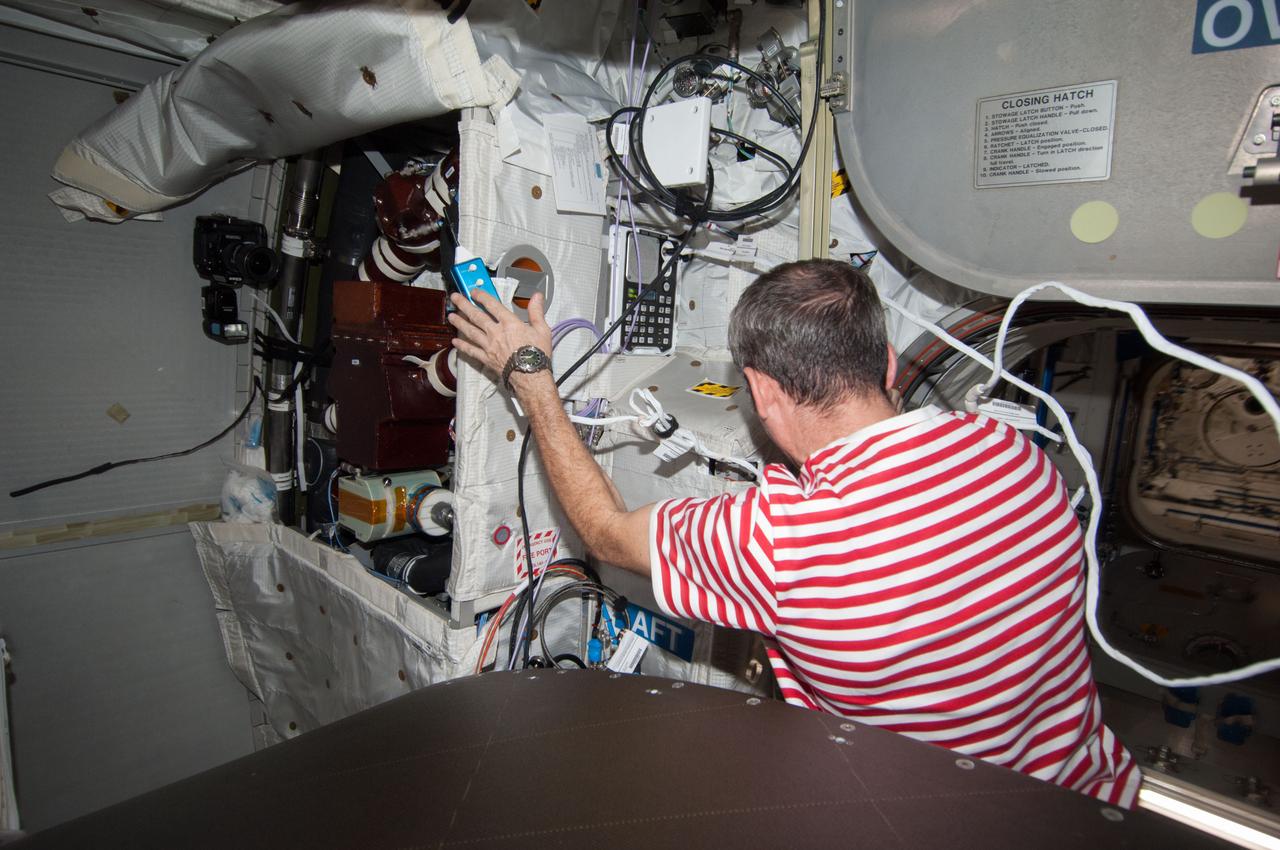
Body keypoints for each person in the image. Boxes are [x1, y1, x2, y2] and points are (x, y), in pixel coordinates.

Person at [447, 259, 1140, 807]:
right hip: (1084, 808)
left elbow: (603, 534)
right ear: (888, 363)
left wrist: (531, 376)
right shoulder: (1013, 451)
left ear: (763, 390)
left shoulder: (783, 541)